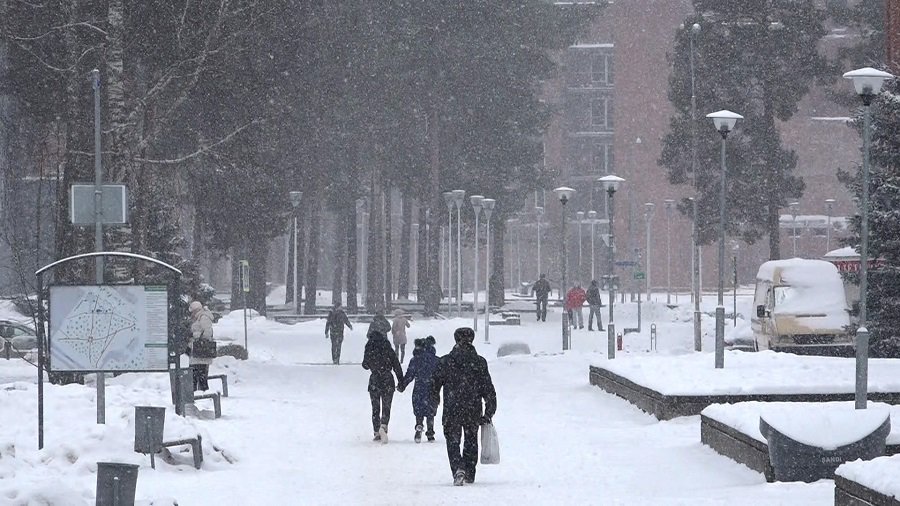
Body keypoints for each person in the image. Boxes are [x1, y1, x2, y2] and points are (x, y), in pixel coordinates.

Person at [431, 327, 497, 486]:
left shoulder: (445, 361)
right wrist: (489, 411)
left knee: (452, 440)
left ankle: (457, 468)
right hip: (472, 407)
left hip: (452, 407)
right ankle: (469, 471)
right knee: (471, 440)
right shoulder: (479, 362)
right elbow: (488, 388)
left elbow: (434, 384)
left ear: (456, 340)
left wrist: (434, 401)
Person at [362, 329, 403, 443]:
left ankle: (376, 431)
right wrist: (401, 381)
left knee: (375, 407)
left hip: (375, 379)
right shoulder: (388, 348)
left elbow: (364, 365)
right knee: (386, 406)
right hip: (387, 379)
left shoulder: (369, 348)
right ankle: (383, 425)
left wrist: (372, 365)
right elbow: (396, 365)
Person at [398, 336, 439, 443]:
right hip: (433, 388)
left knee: (419, 409)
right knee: (431, 411)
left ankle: (419, 425)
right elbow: (442, 376)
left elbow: (409, 375)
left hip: (419, 387)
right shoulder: (436, 360)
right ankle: (430, 433)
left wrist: (402, 386)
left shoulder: (415, 360)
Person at [188, 300, 215, 391]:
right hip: (197, 352)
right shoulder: (198, 317)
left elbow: (207, 332)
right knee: (196, 373)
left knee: (200, 373)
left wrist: (197, 336)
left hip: (201, 350)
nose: (191, 313)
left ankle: (202, 392)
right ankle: (198, 392)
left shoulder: (203, 317)